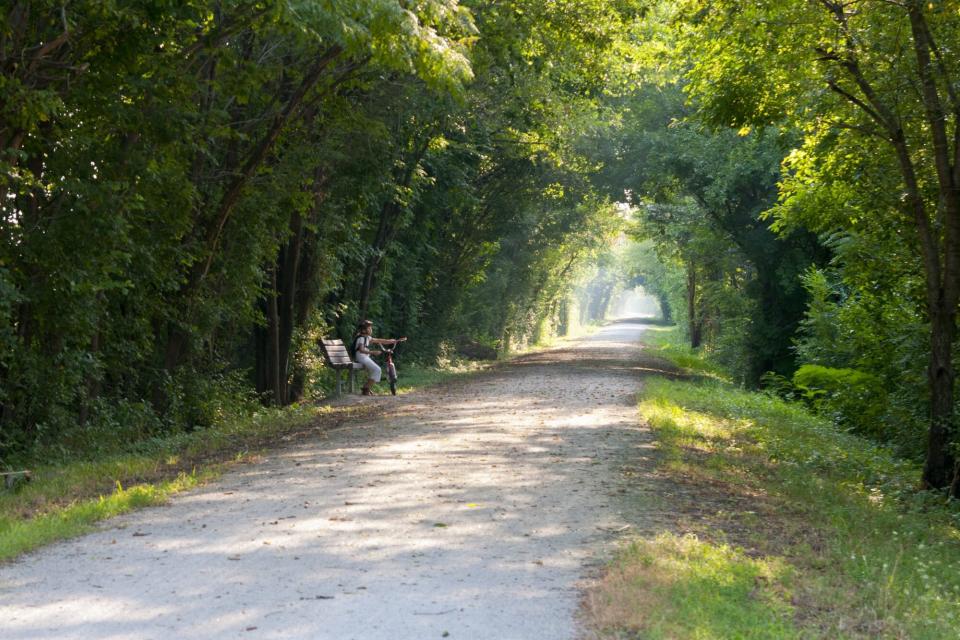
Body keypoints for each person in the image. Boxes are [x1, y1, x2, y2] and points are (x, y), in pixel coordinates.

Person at [353, 320, 403, 396]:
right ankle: (366, 388)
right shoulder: (362, 338)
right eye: (369, 328)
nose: (371, 329)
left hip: (364, 357)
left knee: (377, 370)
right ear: (363, 330)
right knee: (377, 369)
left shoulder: (367, 337)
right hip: (361, 357)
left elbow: (380, 340)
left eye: (370, 328)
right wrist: (373, 352)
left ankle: (366, 388)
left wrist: (393, 341)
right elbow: (361, 350)